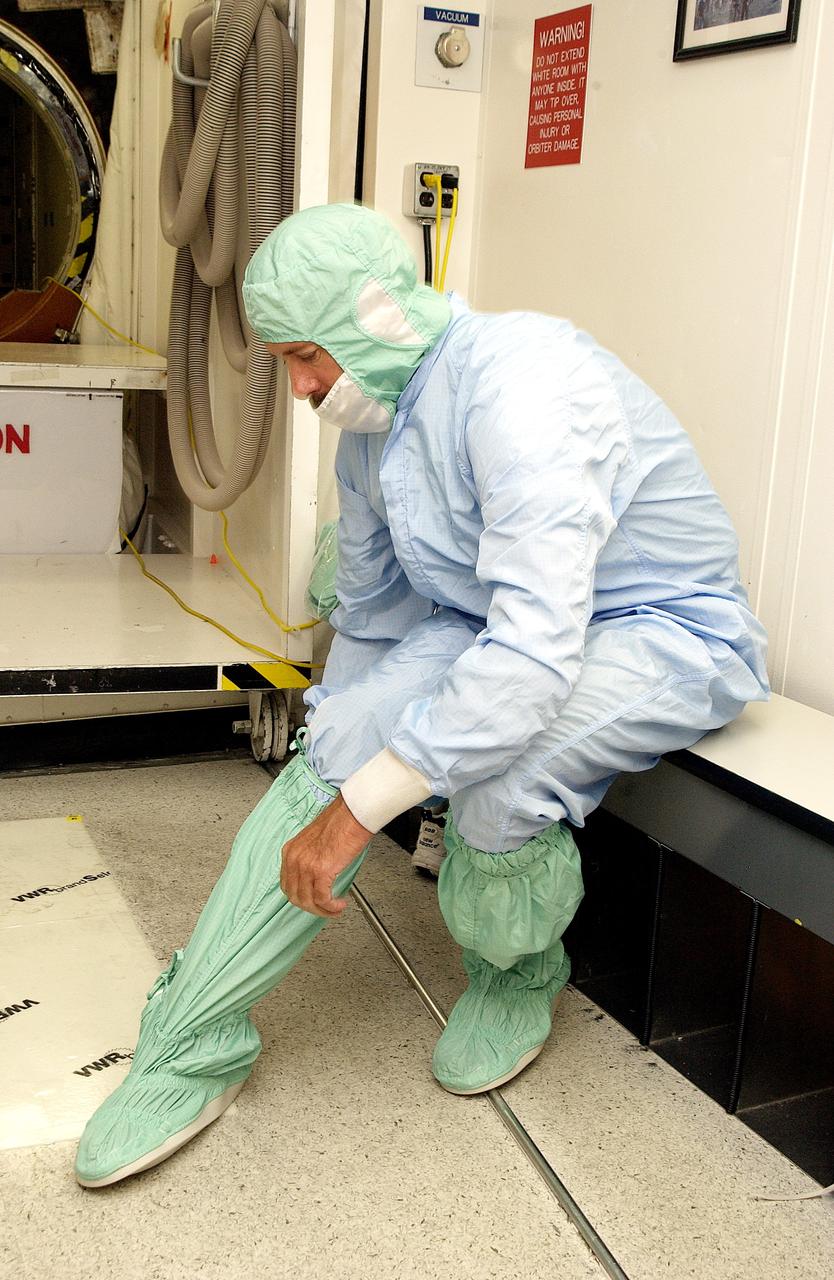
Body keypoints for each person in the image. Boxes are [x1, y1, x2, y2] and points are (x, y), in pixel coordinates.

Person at [75, 202, 768, 1187]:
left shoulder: (521, 386)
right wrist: (336, 760)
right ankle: (190, 1040)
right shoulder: (372, 420)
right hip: (492, 617)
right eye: (286, 361)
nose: (302, 385)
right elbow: (373, 608)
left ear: (372, 317)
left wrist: (363, 811)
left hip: (658, 623)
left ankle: (516, 970)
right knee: (340, 742)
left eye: (306, 354)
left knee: (503, 766)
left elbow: (534, 652)